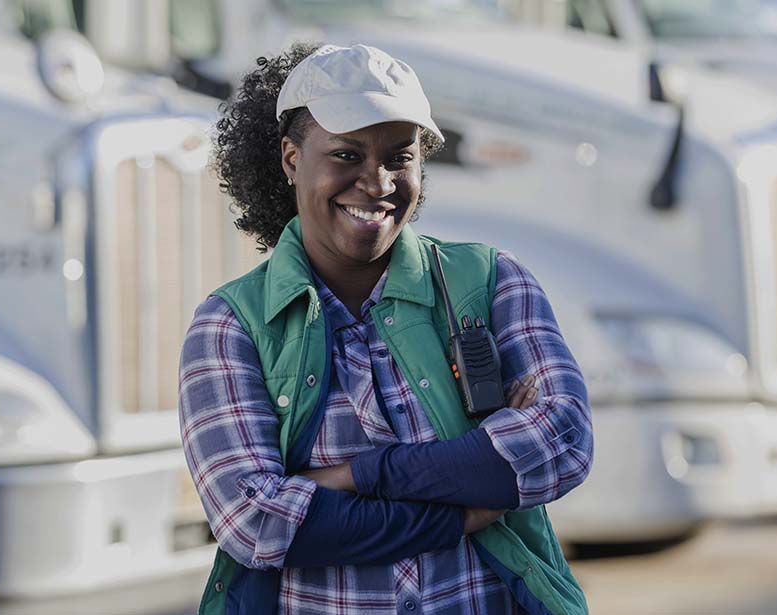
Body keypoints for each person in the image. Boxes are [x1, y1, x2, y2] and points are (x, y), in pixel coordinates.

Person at [180, 42, 593, 615]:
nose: (377, 183)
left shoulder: (492, 284)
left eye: (400, 157)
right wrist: (471, 501)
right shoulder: (230, 327)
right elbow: (256, 523)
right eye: (347, 156)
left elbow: (563, 443)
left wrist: (353, 475)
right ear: (292, 158)